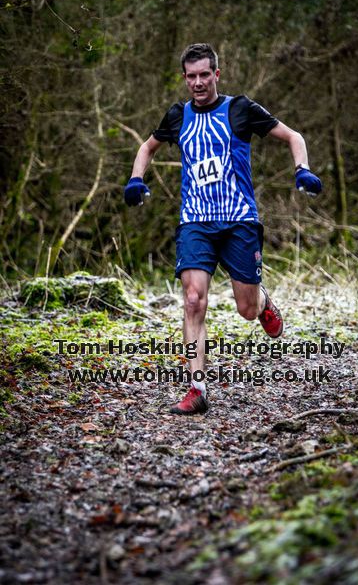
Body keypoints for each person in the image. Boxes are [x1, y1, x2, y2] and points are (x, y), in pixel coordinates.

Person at [125, 43, 322, 416]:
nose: (198, 82)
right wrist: (136, 179)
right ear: (184, 78)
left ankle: (262, 301)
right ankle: (196, 389)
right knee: (194, 299)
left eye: (204, 75)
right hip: (195, 221)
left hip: (239, 221)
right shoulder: (177, 116)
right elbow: (147, 147)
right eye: (191, 76)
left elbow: (294, 136)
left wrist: (302, 169)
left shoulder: (240, 109)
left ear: (217, 74)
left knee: (246, 309)